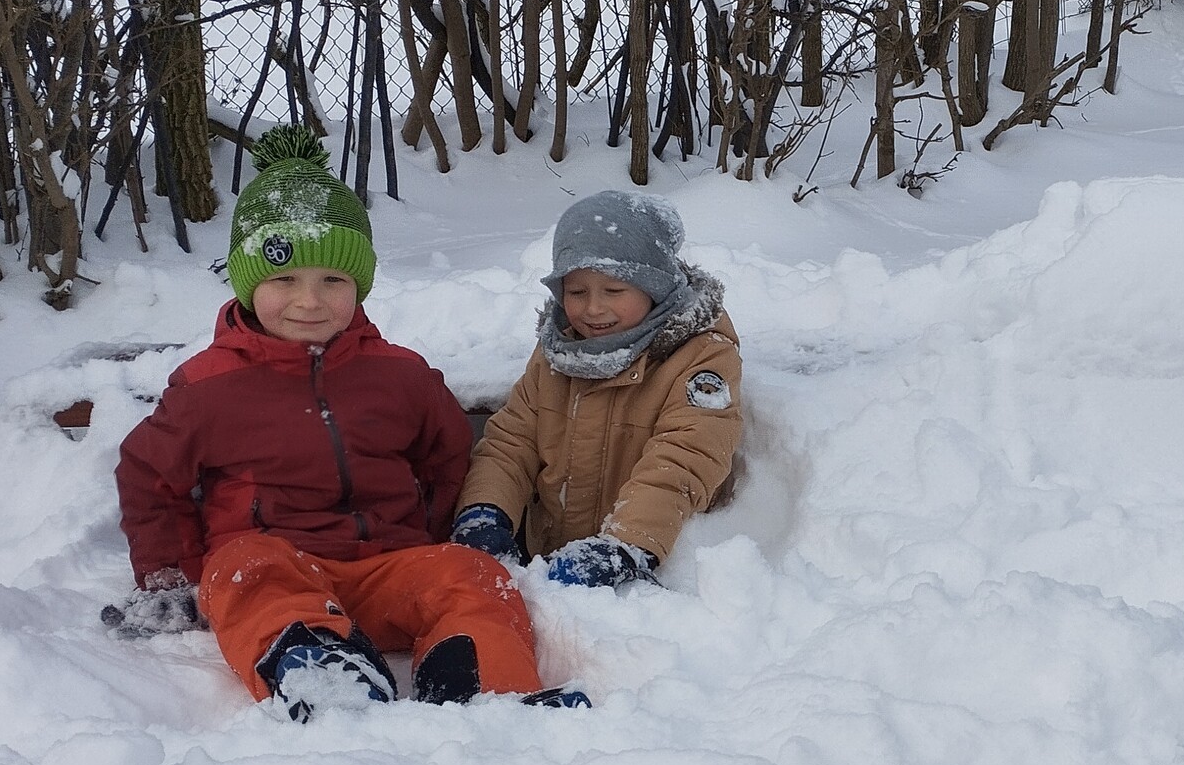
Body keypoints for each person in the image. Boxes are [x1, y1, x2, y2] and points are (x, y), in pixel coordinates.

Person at [109, 127, 577, 717]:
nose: (309, 301)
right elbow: (150, 476)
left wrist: (430, 534)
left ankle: (485, 688)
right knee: (243, 568)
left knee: (471, 574)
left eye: (333, 280)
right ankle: (321, 671)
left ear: (360, 285)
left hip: (389, 566)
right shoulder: (208, 387)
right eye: (284, 279)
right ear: (249, 284)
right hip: (279, 564)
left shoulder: (400, 375)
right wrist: (172, 576)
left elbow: (447, 457)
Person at [450, 189, 743, 589]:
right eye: (577, 292)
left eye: (614, 290)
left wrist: (626, 544)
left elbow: (684, 459)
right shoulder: (559, 351)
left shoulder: (700, 357)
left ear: (655, 287)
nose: (593, 308)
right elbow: (512, 442)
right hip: (548, 557)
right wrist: (485, 510)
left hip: (642, 564)